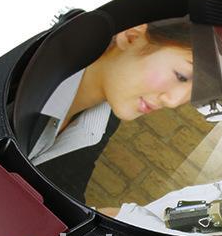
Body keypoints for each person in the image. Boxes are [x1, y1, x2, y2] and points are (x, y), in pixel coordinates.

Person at [31, 19, 194, 203]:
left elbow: (65, 194)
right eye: (181, 76)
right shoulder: (28, 68)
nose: (174, 102)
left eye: (194, 92)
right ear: (132, 37)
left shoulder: (103, 122)